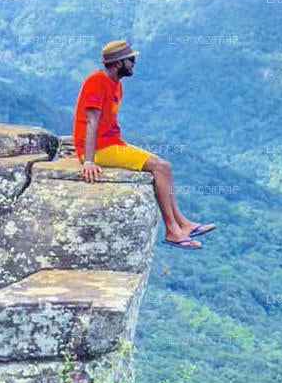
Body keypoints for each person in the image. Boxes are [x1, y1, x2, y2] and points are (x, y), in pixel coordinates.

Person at [74, 39, 214, 249]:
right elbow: (91, 122)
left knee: (165, 167)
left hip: (112, 143)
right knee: (161, 167)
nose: (134, 64)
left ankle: (182, 223)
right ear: (117, 63)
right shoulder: (96, 82)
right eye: (131, 60)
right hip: (100, 148)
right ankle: (172, 230)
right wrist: (88, 161)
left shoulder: (116, 84)